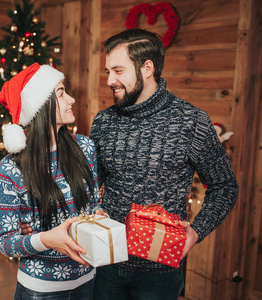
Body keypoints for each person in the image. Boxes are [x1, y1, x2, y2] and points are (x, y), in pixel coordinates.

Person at [89, 28, 239, 299]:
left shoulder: (191, 121)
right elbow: (90, 183)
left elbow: (225, 186)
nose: (110, 80)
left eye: (118, 71)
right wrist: (94, 208)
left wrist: (196, 232)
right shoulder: (103, 120)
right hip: (105, 264)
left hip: (160, 272)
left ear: (147, 68)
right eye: (107, 71)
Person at [0, 62, 101, 300]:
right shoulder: (10, 169)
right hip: (40, 290)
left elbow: (93, 205)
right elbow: (6, 243)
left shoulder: (85, 148)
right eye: (61, 93)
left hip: (89, 281)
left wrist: (100, 216)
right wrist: (45, 239)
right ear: (40, 106)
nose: (71, 99)